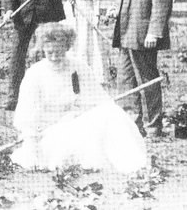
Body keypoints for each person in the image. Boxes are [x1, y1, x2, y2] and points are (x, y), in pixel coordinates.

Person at [12, 22, 146, 172]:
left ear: (67, 47)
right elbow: (27, 116)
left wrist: (80, 111)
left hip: (76, 124)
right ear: (43, 49)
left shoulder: (78, 66)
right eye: (50, 52)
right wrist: (32, 146)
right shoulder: (35, 74)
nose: (55, 57)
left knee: (112, 113)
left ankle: (134, 165)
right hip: (49, 134)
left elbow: (98, 100)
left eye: (59, 52)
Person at [109, 0, 173, 138]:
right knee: (125, 81)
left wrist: (154, 31)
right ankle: (131, 126)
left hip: (144, 34)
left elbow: (162, 2)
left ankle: (153, 127)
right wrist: (116, 11)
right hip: (126, 31)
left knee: (146, 80)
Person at [62, 0, 105, 82]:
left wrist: (96, 15)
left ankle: (87, 75)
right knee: (70, 40)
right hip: (70, 10)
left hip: (86, 11)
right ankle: (69, 74)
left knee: (85, 42)